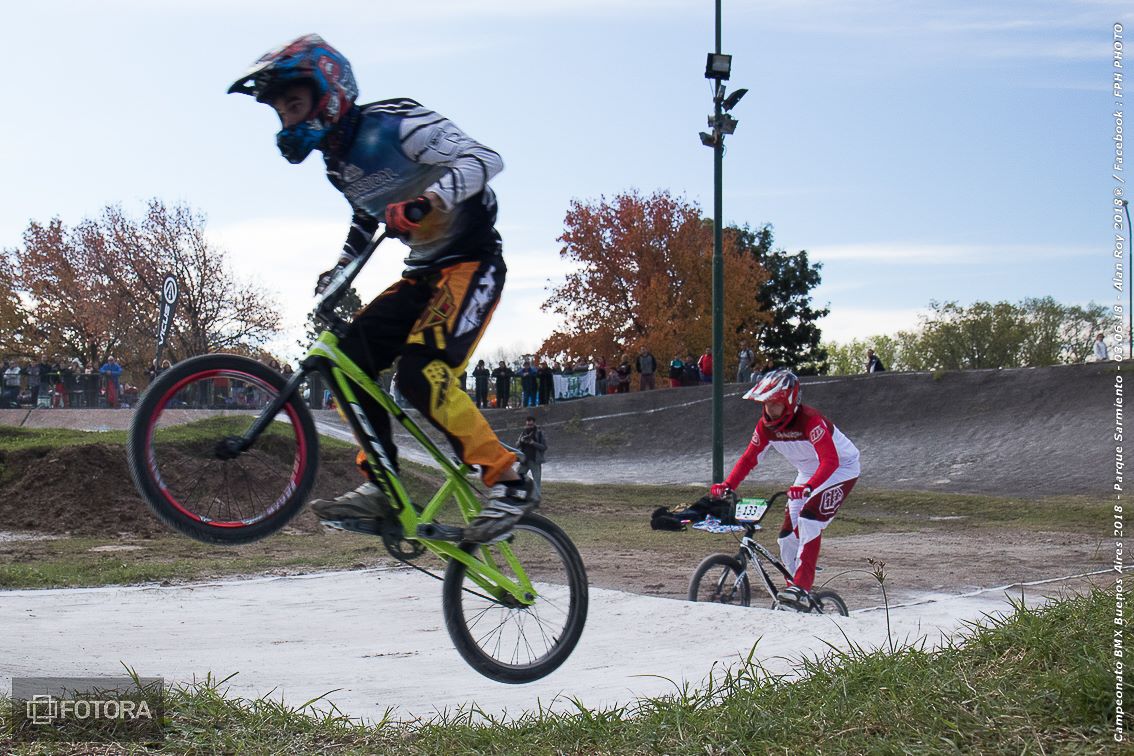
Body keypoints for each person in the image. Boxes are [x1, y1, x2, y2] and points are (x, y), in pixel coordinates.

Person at [229, 34, 535, 543]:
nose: (286, 120)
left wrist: (427, 201)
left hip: (473, 264)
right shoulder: (337, 166)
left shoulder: (397, 123)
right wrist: (340, 269)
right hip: (421, 275)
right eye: (280, 112)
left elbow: (485, 160)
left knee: (420, 375)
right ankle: (384, 487)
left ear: (328, 92)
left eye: (294, 105)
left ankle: (510, 479)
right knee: (345, 363)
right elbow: (366, 216)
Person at [709, 369, 860, 611]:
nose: (770, 409)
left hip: (841, 469)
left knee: (809, 520)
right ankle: (793, 591)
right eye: (766, 404)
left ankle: (802, 586)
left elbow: (830, 460)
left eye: (776, 404)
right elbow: (749, 459)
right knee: (787, 538)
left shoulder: (810, 421)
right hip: (808, 473)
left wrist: (809, 487)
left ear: (789, 402)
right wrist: (728, 485)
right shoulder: (765, 427)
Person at [516, 415, 548, 495]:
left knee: (537, 481)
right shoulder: (523, 432)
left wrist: (533, 443)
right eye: (527, 425)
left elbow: (544, 447)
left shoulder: (539, 433)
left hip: (535, 460)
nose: (529, 426)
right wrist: (521, 441)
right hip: (524, 460)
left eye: (531, 425)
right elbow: (517, 445)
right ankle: (519, 494)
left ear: (534, 424)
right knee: (517, 477)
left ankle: (537, 497)